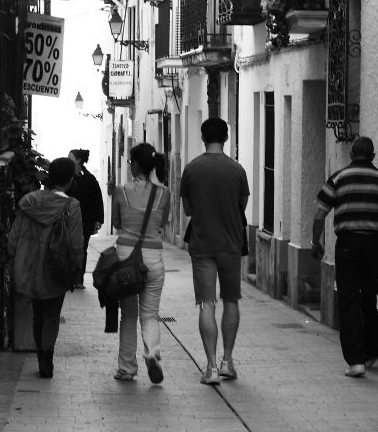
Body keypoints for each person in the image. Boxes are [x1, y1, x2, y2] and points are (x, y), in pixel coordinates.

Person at [311, 136, 378, 378]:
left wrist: (315, 242)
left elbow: (319, 216)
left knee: (349, 300)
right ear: (373, 156)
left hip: (347, 245)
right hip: (373, 246)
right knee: (369, 297)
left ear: (351, 155)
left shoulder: (338, 178)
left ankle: (356, 361)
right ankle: (372, 349)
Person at [180, 117, 250, 386]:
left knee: (206, 303)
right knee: (231, 301)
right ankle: (227, 362)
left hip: (202, 244)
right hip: (231, 244)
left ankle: (209, 367)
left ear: (202, 138)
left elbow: (187, 209)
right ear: (226, 137)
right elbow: (241, 205)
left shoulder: (191, 169)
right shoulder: (237, 170)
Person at [8, 157, 83, 379]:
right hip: (56, 269)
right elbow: (77, 244)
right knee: (52, 315)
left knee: (37, 314)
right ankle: (47, 358)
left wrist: (15, 258)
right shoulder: (71, 206)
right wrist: (75, 270)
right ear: (69, 180)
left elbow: (14, 237)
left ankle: (41, 354)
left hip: (29, 267)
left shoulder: (30, 201)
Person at [111, 142, 170, 383]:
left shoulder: (120, 191)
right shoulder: (163, 193)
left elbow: (116, 223)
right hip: (153, 257)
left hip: (126, 257)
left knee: (128, 314)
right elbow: (163, 223)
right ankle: (152, 352)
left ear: (134, 164)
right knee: (150, 314)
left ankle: (126, 368)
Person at [68, 148, 104, 289]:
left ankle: (78, 279)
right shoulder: (68, 177)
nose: (67, 158)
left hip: (85, 221)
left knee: (81, 249)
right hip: (69, 219)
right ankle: (68, 277)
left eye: (70, 157)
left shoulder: (90, 179)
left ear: (78, 160)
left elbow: (97, 199)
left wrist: (98, 220)